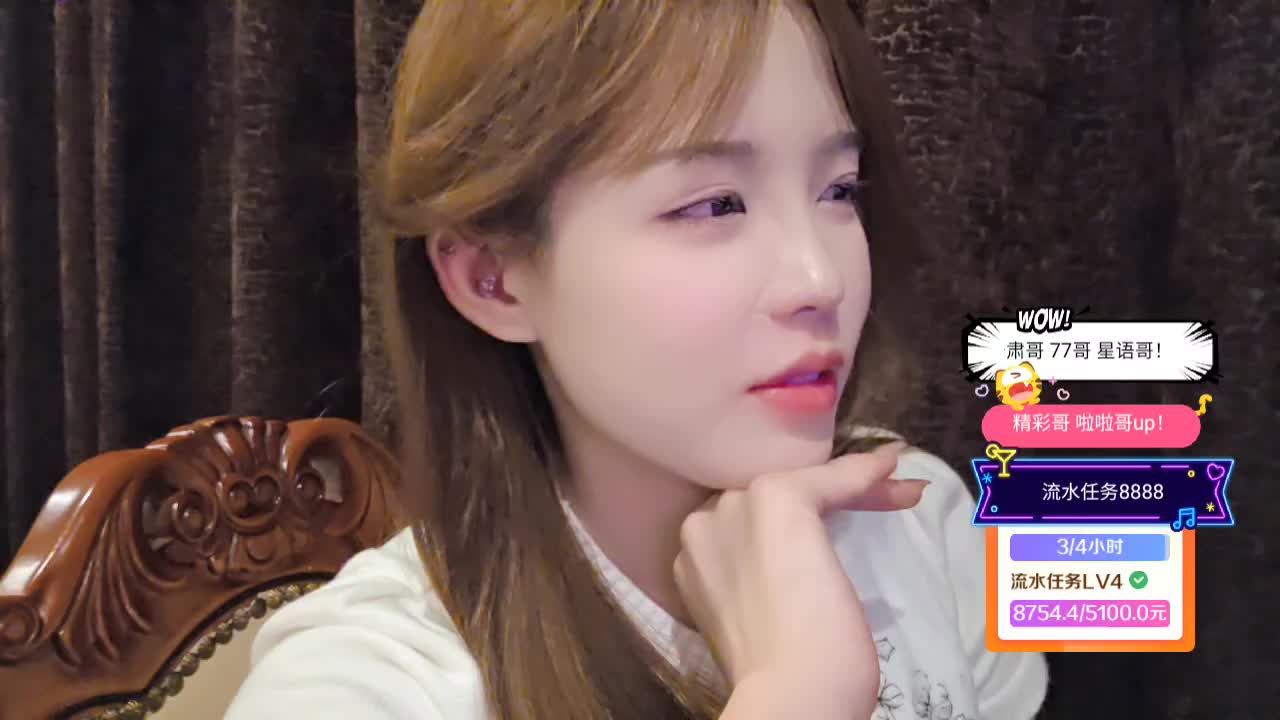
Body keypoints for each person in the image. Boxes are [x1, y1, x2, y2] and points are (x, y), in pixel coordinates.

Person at [226, 1, 1048, 717]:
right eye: (714, 205)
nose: (819, 278)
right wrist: (799, 693)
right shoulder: (369, 682)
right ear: (492, 278)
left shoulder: (921, 522)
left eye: (839, 189)